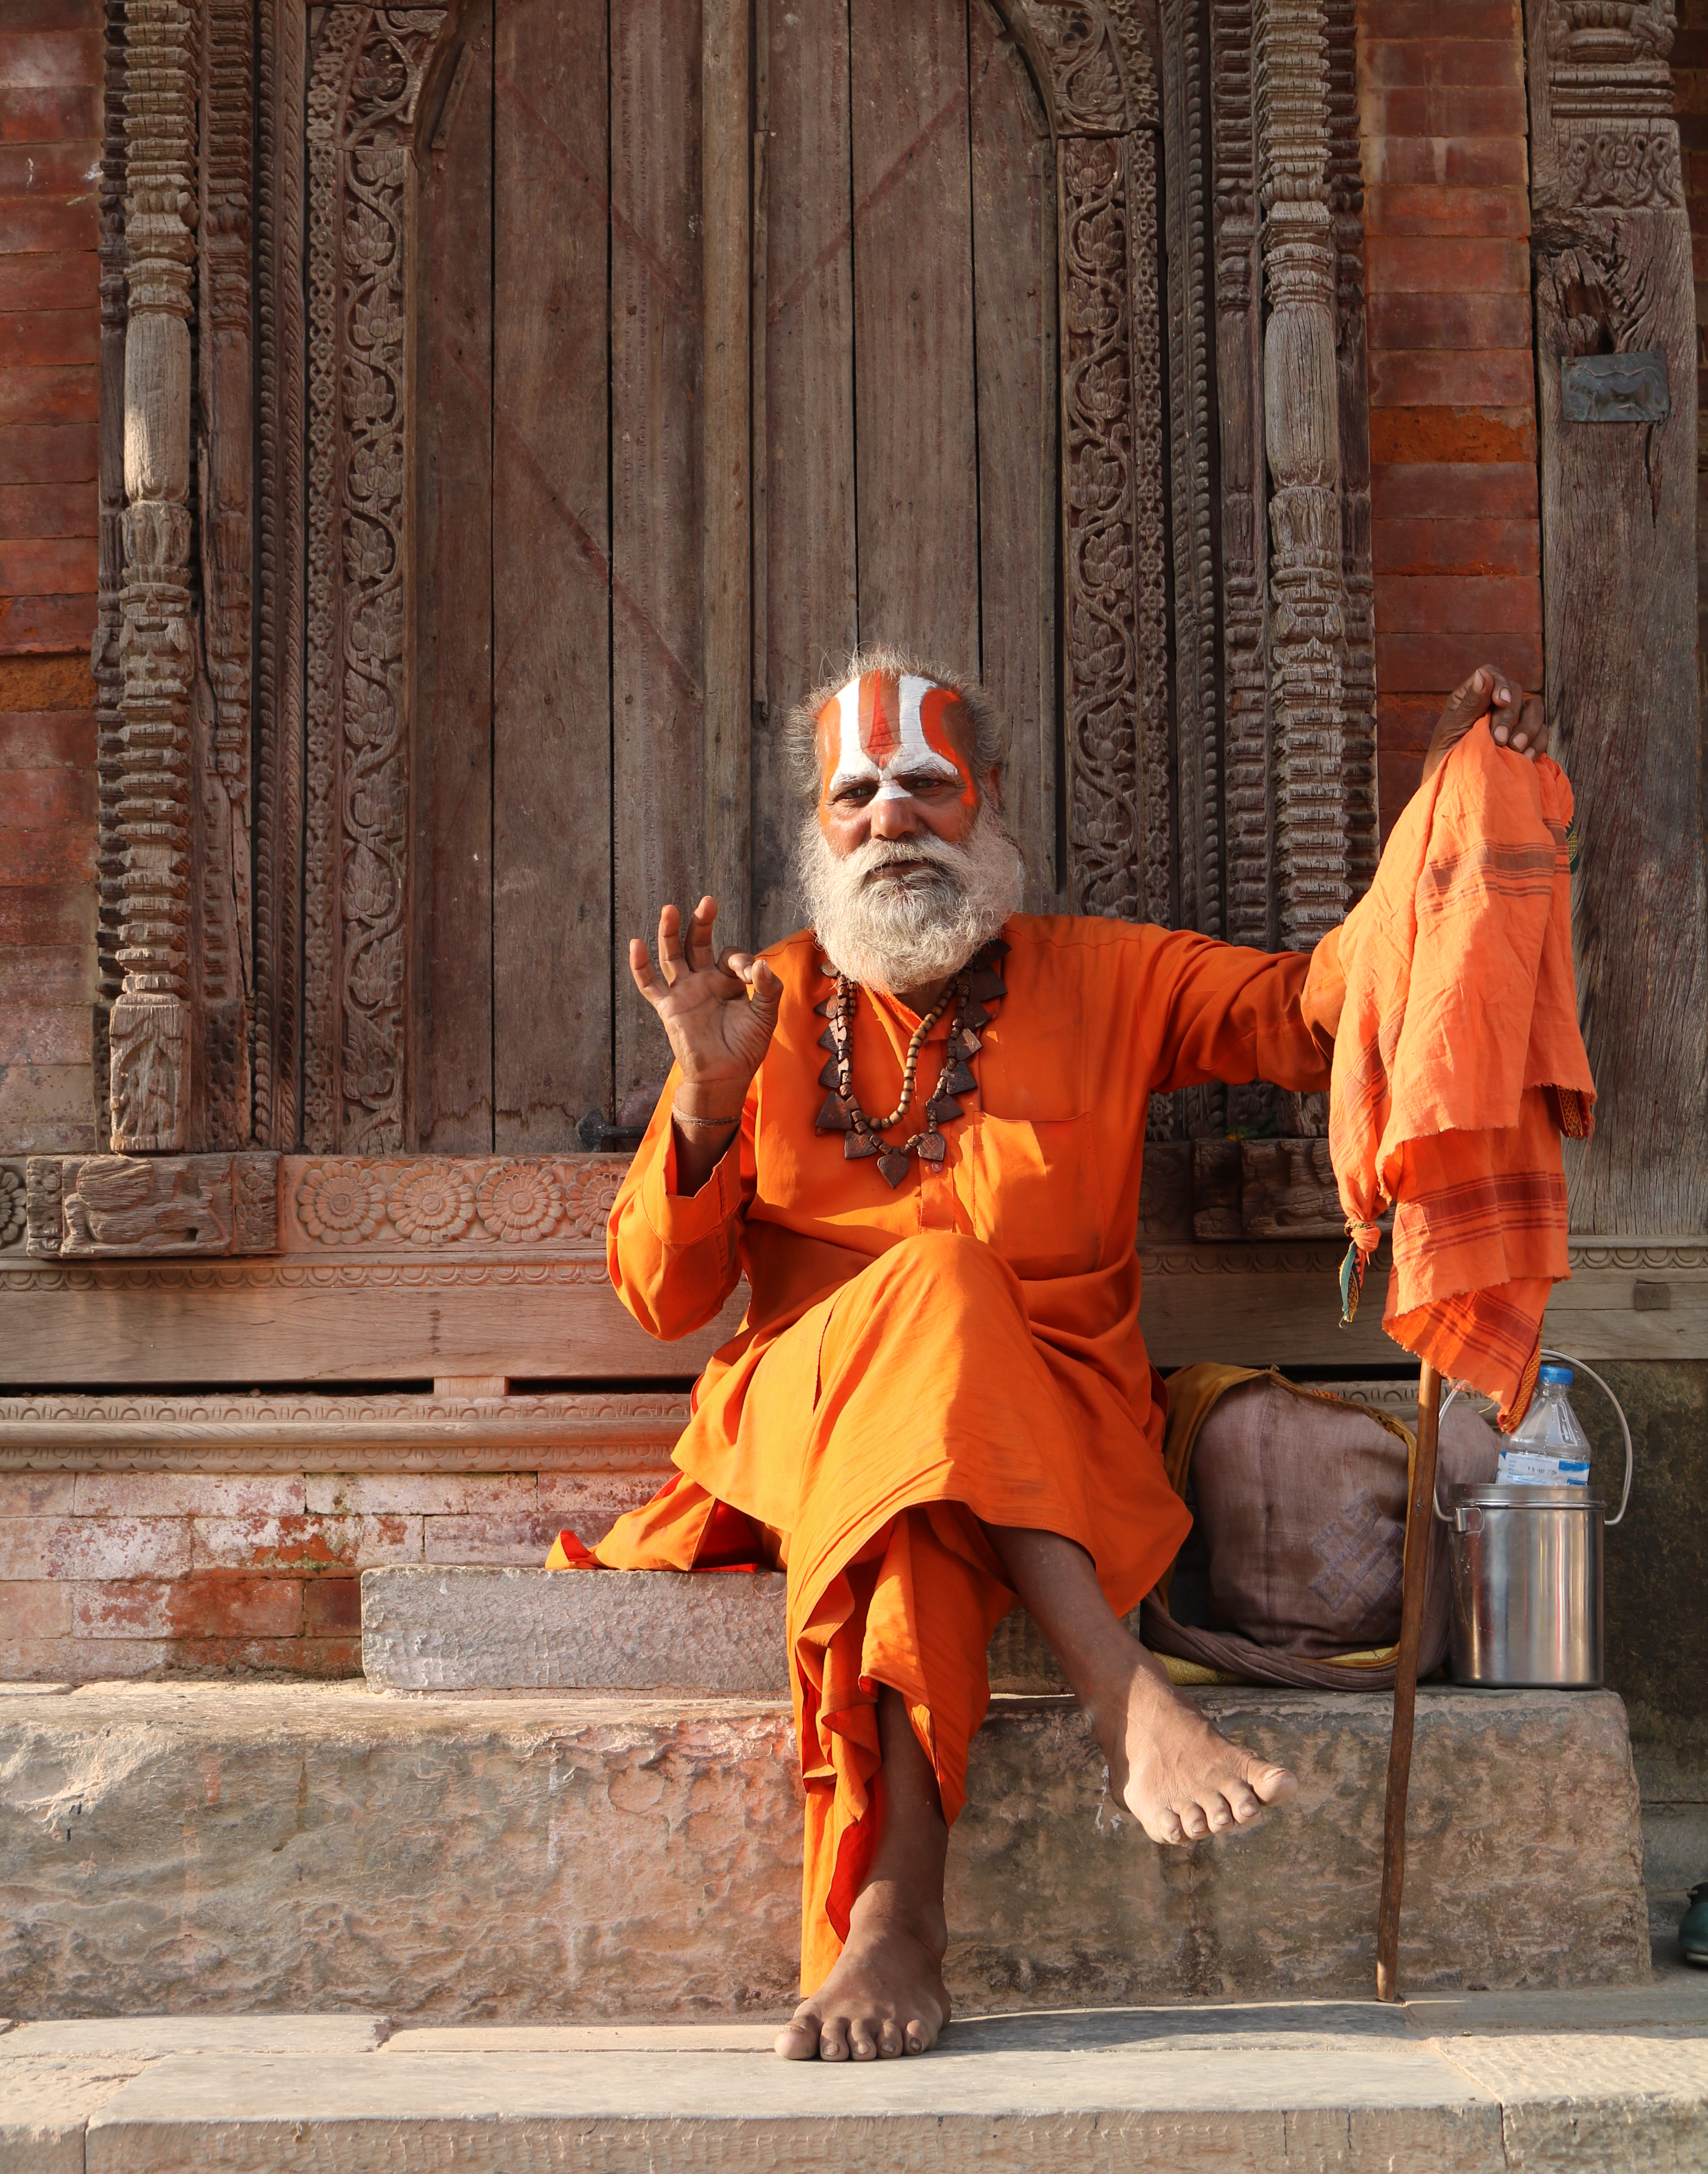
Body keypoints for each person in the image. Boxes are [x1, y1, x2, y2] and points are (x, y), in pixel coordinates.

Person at [550, 652, 1549, 2064]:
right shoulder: (757, 1007)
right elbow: (662, 1300)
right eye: (856, 795)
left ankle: (896, 1915)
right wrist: (707, 1101)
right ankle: (1120, 1693)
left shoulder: (1110, 975)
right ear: (817, 836)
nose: (892, 816)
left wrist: (1440, 812)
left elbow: (1319, 1009)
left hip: (1053, 1434)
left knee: (922, 1496)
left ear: (988, 805)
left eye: (925, 785)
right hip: (804, 1409)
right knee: (938, 1293)